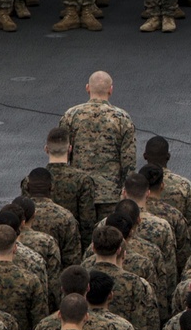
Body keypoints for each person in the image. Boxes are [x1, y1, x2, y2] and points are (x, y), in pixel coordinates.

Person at [58, 71, 136, 220]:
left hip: (79, 192)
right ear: (110, 90)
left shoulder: (71, 115)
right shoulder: (122, 118)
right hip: (110, 195)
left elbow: (62, 153)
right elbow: (129, 160)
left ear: (87, 88)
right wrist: (127, 192)